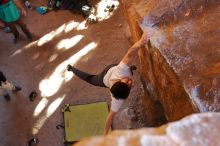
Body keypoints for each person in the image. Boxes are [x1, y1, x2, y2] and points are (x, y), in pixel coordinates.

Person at [67, 32, 149, 135]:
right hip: (103, 79)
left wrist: (141, 42)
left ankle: (129, 68)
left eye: (127, 82)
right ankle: (71, 69)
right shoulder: (117, 101)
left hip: (112, 69)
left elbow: (130, 53)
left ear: (119, 81)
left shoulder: (120, 71)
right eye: (129, 83)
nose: (130, 81)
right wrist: (105, 135)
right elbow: (109, 118)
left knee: (126, 64)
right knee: (90, 79)